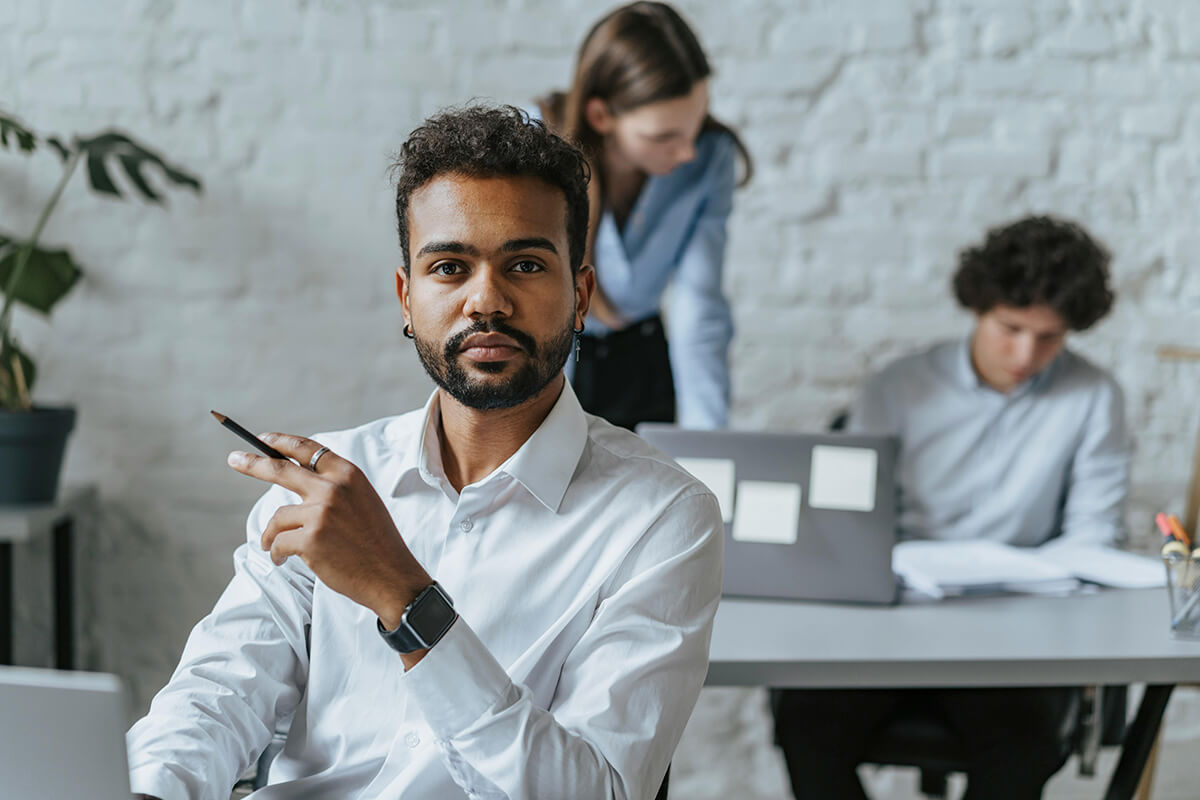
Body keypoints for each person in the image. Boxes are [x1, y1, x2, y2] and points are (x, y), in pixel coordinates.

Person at [126, 105, 723, 800]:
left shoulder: (664, 518)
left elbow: (596, 791)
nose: (486, 301)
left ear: (581, 293)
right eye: (449, 267)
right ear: (407, 299)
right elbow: (214, 698)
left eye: (525, 264)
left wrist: (406, 600)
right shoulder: (323, 489)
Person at [773, 215, 1131, 800]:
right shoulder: (899, 385)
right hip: (891, 622)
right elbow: (849, 521)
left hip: (1010, 632)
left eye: (1049, 338)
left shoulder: (1094, 397)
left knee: (1026, 746)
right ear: (978, 309)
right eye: (1010, 328)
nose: (1025, 353)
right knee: (805, 725)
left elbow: (1095, 534)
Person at [534, 1, 752, 431]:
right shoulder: (537, 146)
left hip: (646, 358)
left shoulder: (709, 158)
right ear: (602, 116)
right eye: (664, 136)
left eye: (693, 126)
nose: (687, 152)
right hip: (552, 360)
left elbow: (698, 305)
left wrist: (708, 452)